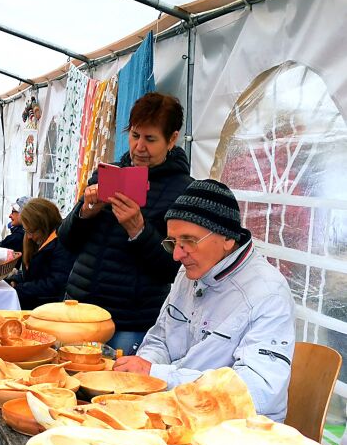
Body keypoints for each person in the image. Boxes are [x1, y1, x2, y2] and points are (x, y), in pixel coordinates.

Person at [114, 179, 295, 421]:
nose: (177, 255)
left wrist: (159, 375)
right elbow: (160, 339)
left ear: (228, 238)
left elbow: (257, 391)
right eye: (173, 243)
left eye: (188, 241)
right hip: (180, 411)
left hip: (239, 431)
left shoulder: (268, 293)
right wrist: (143, 369)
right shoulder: (190, 271)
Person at [57, 92, 193, 355]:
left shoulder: (183, 191)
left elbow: (173, 269)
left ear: (172, 139)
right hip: (81, 312)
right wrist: (85, 211)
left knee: (116, 391)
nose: (139, 147)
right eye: (134, 135)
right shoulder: (105, 175)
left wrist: (138, 230)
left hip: (131, 320)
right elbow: (67, 241)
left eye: (150, 139)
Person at [8, 197, 77, 310]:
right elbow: (30, 274)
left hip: (47, 309)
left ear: (43, 225)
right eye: (26, 231)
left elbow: (55, 283)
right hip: (33, 305)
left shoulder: (61, 245)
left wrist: (21, 288)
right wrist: (15, 280)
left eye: (31, 231)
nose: (29, 236)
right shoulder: (39, 242)